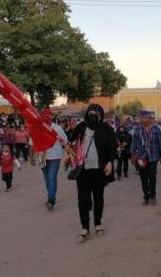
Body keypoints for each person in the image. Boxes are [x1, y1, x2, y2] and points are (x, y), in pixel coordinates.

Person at [67, 104, 116, 243]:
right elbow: (71, 142)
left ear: (101, 114)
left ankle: (98, 223)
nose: (93, 114)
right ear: (87, 113)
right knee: (82, 199)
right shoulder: (81, 127)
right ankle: (84, 227)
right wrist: (68, 148)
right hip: (83, 170)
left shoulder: (106, 128)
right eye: (91, 112)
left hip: (99, 170)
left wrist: (110, 162)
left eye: (96, 112)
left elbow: (113, 146)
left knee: (98, 198)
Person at [131, 110, 161, 205]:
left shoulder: (156, 129)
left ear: (150, 119)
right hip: (141, 157)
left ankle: (153, 196)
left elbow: (160, 143)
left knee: (152, 176)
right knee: (143, 177)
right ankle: (146, 197)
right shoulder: (137, 130)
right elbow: (134, 144)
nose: (144, 120)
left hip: (153, 157)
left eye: (146, 118)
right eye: (142, 118)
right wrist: (133, 156)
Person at [39, 109, 68, 211]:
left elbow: (65, 141)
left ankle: (51, 200)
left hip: (55, 157)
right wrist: (32, 156)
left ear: (51, 117)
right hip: (42, 157)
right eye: (43, 116)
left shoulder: (57, 128)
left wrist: (61, 140)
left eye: (47, 116)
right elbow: (33, 142)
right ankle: (51, 195)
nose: (46, 118)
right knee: (47, 180)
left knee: (52, 178)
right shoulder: (38, 128)